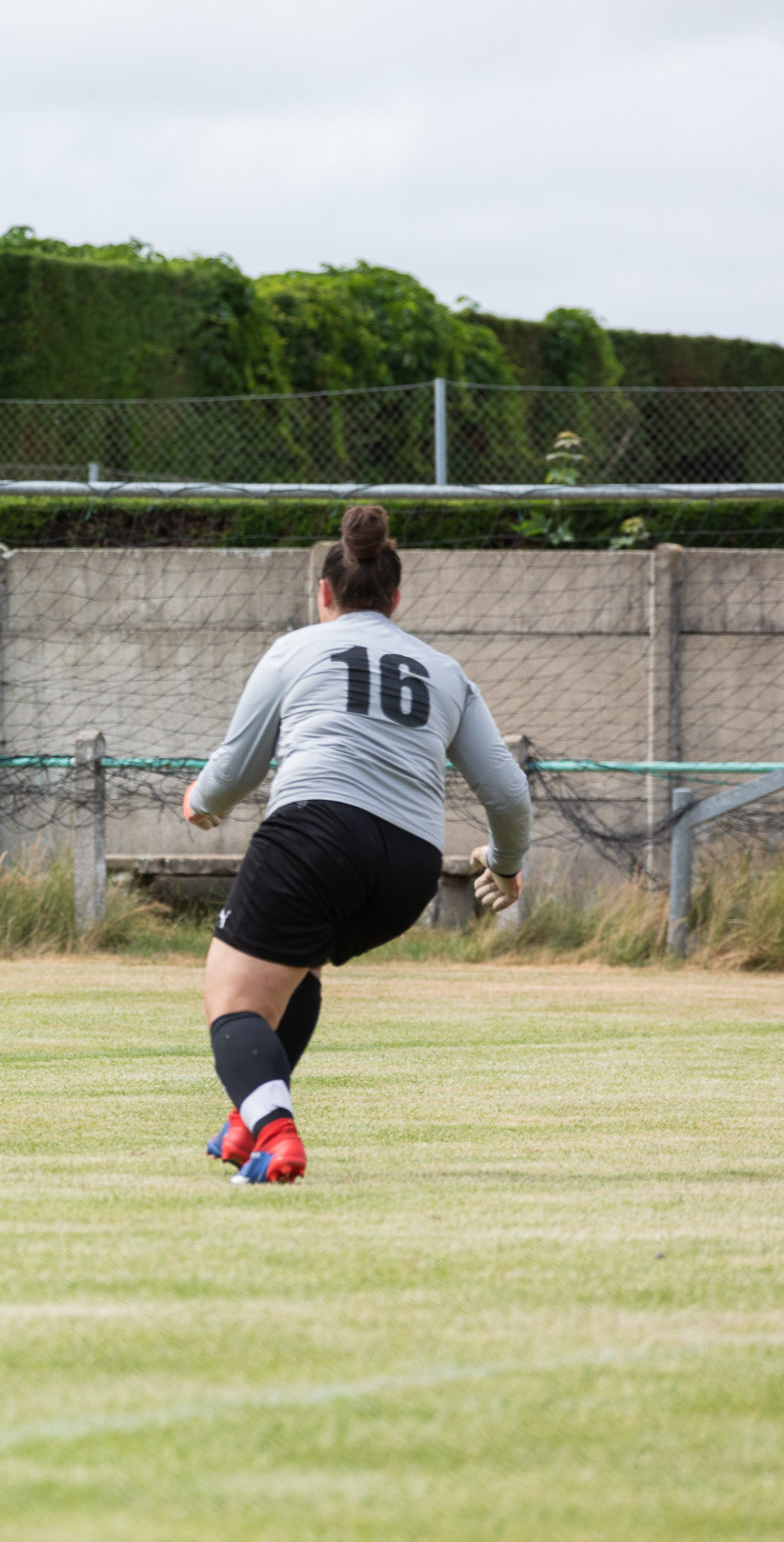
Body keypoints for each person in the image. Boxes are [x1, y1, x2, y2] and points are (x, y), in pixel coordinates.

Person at [181, 503, 530, 1186]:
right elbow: (508, 793)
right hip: (408, 871)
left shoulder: (296, 648)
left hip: (317, 835)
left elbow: (237, 766)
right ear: (396, 598)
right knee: (299, 968)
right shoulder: (446, 671)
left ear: (324, 594)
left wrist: (202, 802)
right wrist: (506, 866)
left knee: (235, 1003)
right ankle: (246, 1119)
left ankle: (277, 1136)